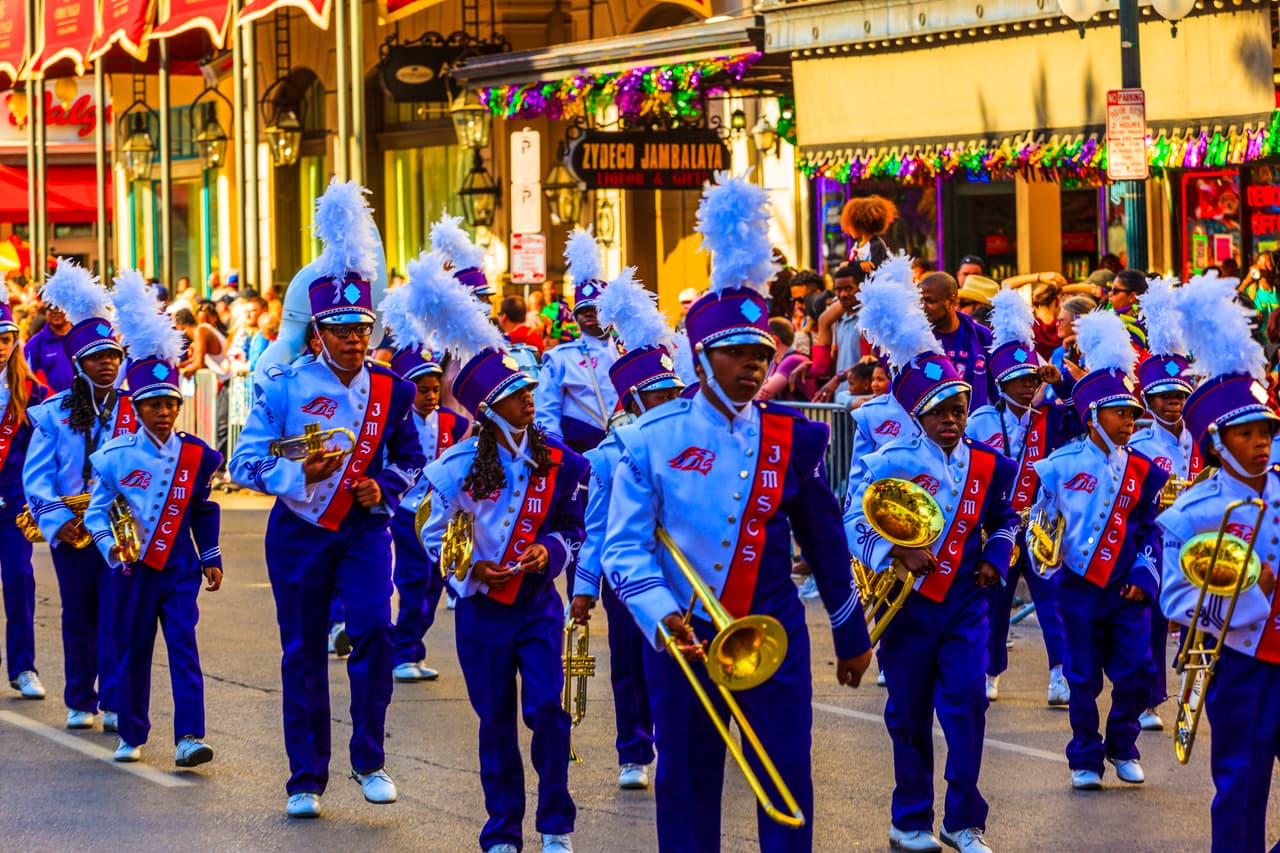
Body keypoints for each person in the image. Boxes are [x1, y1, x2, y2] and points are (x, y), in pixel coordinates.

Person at [604, 174, 871, 853]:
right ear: (702, 356)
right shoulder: (651, 437)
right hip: (686, 632)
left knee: (785, 775)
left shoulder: (795, 434)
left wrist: (850, 632)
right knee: (688, 783)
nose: (754, 368)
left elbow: (825, 535)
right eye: (738, 355)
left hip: (773, 625)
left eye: (762, 356)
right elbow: (625, 548)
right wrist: (662, 613)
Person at [228, 180, 425, 818]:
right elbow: (245, 460)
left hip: (364, 528)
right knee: (303, 649)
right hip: (298, 533)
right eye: (339, 329)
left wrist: (383, 485)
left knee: (372, 626)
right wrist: (299, 472)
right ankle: (306, 777)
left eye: (360, 328)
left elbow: (413, 461)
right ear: (317, 332)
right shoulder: (283, 385)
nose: (351, 339)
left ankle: (369, 759)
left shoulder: (392, 391)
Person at [416, 253, 586, 853]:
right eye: (516, 396)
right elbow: (436, 532)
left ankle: (556, 823)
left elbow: (574, 526)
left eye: (529, 392)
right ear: (489, 408)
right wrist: (468, 567)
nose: (528, 402)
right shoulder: (456, 465)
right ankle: (502, 829)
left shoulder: (560, 461)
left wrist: (548, 552)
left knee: (547, 709)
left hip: (538, 603)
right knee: (495, 723)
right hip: (482, 608)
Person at [846, 255, 1016, 853]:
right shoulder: (889, 463)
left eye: (959, 410)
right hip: (910, 607)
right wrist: (894, 551)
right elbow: (851, 522)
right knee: (910, 715)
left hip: (966, 597)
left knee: (969, 702)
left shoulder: (991, 463)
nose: (951, 421)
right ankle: (911, 817)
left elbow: (1006, 518)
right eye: (940, 412)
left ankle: (963, 818)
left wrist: (996, 554)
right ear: (918, 414)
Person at [1157, 274, 1280, 853]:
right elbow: (1176, 599)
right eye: (1247, 434)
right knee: (1241, 786)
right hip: (1244, 659)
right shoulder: (1195, 510)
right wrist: (1252, 590)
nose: (1261, 443)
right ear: (1216, 442)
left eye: (1267, 432)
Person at [85, 271, 222, 767]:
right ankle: (132, 730)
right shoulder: (115, 456)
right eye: (153, 405)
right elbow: (99, 510)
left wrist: (211, 557)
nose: (163, 413)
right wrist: (111, 547)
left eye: (170, 404)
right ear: (137, 408)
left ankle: (190, 736)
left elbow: (204, 507)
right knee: (133, 649)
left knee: (184, 647)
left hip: (180, 568)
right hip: (132, 569)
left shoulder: (198, 456)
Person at [1028, 309, 1166, 791]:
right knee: (1083, 680)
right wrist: (1046, 557)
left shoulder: (1146, 470)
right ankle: (1085, 756)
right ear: (1092, 416)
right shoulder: (1057, 465)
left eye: (1131, 413)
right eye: (1120, 412)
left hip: (1126, 587)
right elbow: (1040, 524)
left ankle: (1123, 745)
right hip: (1078, 588)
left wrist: (1145, 578)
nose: (1129, 421)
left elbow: (1151, 529)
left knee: (1137, 672)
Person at [569, 267, 683, 792]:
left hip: (686, 571)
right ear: (635, 401)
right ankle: (634, 750)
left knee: (684, 660)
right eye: (660, 396)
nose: (672, 401)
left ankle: (687, 739)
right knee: (631, 662)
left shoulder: (693, 443)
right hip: (625, 571)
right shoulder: (608, 453)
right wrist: (585, 587)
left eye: (675, 392)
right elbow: (595, 527)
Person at [23, 259, 136, 731]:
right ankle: (79, 698)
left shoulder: (137, 409)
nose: (106, 364)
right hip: (71, 528)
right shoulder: (53, 413)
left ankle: (112, 699)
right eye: (95, 358)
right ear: (78, 364)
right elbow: (37, 477)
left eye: (111, 355)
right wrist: (56, 522)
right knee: (78, 615)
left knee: (117, 613)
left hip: (118, 526)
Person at [965, 288, 1073, 707]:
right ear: (1002, 383)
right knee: (995, 601)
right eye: (1020, 381)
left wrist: (1058, 378)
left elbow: (1085, 412)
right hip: (1000, 527)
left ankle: (1059, 674)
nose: (1029, 389)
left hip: (1042, 524)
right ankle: (991, 672)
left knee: (1052, 602)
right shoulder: (981, 420)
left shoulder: (1051, 417)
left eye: (1032, 380)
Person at [377, 253, 474, 683]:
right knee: (412, 582)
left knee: (435, 585)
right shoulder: (395, 423)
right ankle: (400, 652)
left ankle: (412, 647)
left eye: (437, 388)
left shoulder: (454, 422)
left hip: (440, 511)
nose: (432, 396)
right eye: (423, 389)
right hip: (404, 509)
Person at [1127, 277, 1200, 733]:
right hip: (1155, 541)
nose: (1173, 404)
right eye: (1164, 398)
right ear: (1148, 400)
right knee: (1150, 622)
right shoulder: (1135, 440)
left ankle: (1196, 688)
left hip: (1196, 538)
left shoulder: (1205, 439)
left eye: (1179, 396)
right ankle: (1148, 700)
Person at [534, 228, 621, 453]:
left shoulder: (627, 351)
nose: (591, 315)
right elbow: (547, 411)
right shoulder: (560, 358)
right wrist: (559, 455)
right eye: (584, 312)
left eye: (597, 310)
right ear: (576, 318)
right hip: (581, 451)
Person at [0, 299, 48, 700]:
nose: (0, 345)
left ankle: (23, 668)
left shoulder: (30, 391)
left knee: (19, 580)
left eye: (6, 338)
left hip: (13, 505)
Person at [919, 272, 993, 409]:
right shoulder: (917, 340)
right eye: (920, 301)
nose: (923, 307)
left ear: (952, 301)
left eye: (930, 301)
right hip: (933, 427)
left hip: (975, 426)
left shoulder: (982, 336)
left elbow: (995, 391)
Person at [812, 263, 865, 401]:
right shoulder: (837, 321)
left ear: (861, 288)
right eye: (838, 289)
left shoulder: (868, 320)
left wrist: (838, 378)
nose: (843, 294)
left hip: (863, 401)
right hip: (840, 400)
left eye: (848, 288)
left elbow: (870, 361)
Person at [757, 318, 813, 402]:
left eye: (762, 338)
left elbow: (764, 394)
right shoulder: (775, 362)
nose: (759, 343)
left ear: (774, 339)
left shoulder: (793, 360)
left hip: (804, 414)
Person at [24, 303, 74, 392]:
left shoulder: (81, 335)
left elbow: (105, 333)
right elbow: (27, 376)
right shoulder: (35, 343)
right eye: (50, 307)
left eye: (59, 307)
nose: (55, 311)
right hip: (50, 403)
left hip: (84, 401)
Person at [841, 195, 895, 273]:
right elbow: (850, 264)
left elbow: (873, 269)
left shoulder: (876, 245)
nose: (848, 229)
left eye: (850, 224)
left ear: (859, 224)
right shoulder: (857, 245)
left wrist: (853, 265)